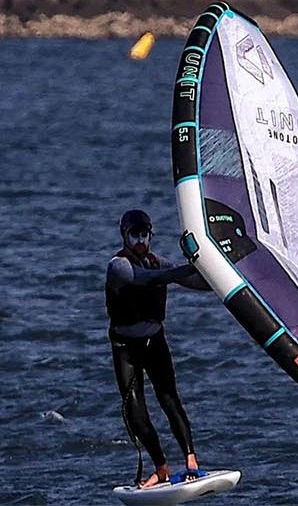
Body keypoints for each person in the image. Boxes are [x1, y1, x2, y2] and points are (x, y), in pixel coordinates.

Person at [106, 209, 211, 489]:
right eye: (134, 235)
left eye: (144, 234)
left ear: (150, 235)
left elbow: (203, 283)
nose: (140, 240)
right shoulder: (118, 266)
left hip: (155, 343)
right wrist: (184, 268)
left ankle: (191, 459)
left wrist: (211, 262)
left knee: (169, 398)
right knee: (134, 411)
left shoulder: (158, 262)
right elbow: (149, 279)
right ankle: (161, 467)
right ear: (124, 236)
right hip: (125, 347)